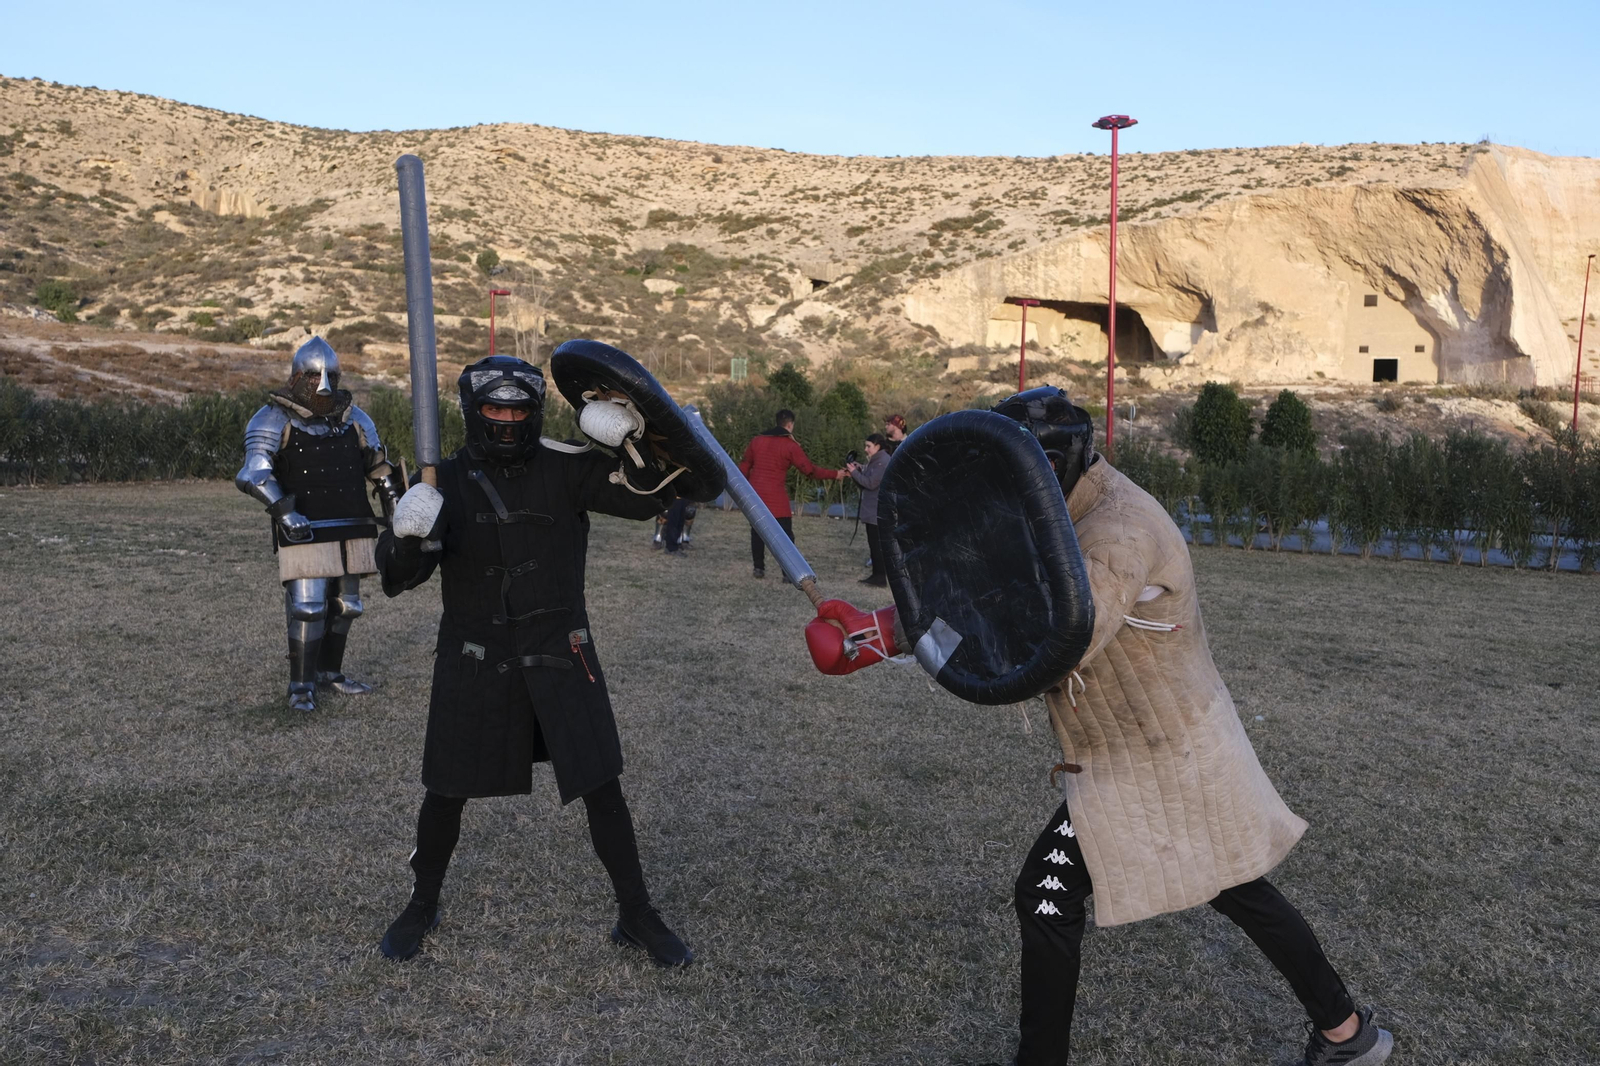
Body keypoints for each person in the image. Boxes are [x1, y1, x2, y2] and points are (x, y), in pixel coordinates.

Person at [811, 389, 1392, 1066]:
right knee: (1231, 883)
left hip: (1159, 754)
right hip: (1142, 743)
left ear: (1046, 466)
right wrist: (883, 630)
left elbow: (1051, 636)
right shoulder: (1067, 509)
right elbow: (1000, 584)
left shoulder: (1119, 533)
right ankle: (1347, 1032)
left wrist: (901, 632)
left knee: (1050, 891)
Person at [373, 354, 693, 968]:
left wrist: (631, 436)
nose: (507, 420)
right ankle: (421, 902)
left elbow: (649, 496)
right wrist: (408, 537)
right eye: (495, 409)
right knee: (445, 790)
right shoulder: (442, 478)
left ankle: (636, 913)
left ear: (535, 412)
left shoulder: (567, 466)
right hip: (474, 653)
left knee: (601, 783)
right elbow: (397, 578)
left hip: (560, 648)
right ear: (474, 411)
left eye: (518, 410)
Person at [235, 336, 404, 713]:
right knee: (309, 608)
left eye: (330, 377)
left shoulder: (355, 419)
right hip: (305, 527)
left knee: (348, 606)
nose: (323, 385)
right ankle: (301, 685)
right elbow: (253, 473)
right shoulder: (272, 418)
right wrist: (285, 512)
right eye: (313, 377)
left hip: (353, 523)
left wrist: (396, 512)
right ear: (297, 377)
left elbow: (379, 467)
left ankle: (330, 673)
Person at [736, 407, 845, 578]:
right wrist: (835, 474)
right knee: (785, 537)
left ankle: (759, 568)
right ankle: (788, 573)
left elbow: (744, 465)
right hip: (777, 499)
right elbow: (809, 470)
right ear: (790, 425)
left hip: (756, 496)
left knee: (757, 532)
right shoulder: (789, 445)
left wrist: (742, 489)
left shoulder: (757, 441)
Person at [845, 433, 890, 587]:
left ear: (878, 446)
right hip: (873, 510)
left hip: (876, 511)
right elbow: (870, 476)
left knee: (876, 545)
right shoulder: (877, 461)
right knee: (874, 544)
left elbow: (871, 483)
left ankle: (879, 576)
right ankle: (877, 575)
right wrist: (859, 469)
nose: (866, 449)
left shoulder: (882, 462)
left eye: (869, 446)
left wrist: (854, 472)